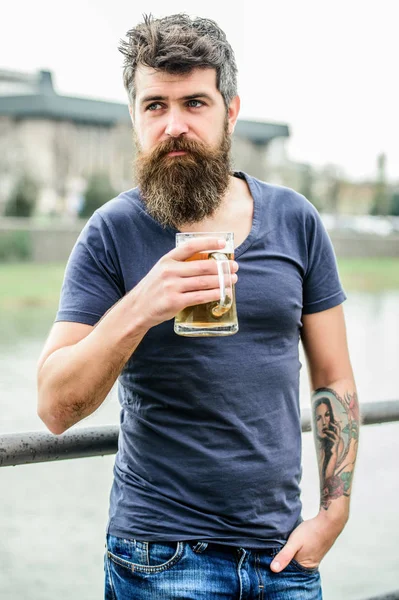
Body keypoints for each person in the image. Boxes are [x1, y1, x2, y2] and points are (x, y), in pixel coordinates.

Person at [37, 13, 359, 600]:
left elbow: (333, 377)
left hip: (285, 558)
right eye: (155, 105)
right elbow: (55, 408)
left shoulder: (296, 220)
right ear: (134, 117)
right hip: (160, 558)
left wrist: (332, 514)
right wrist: (141, 306)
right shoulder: (111, 231)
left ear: (230, 112)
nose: (173, 125)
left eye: (195, 103)